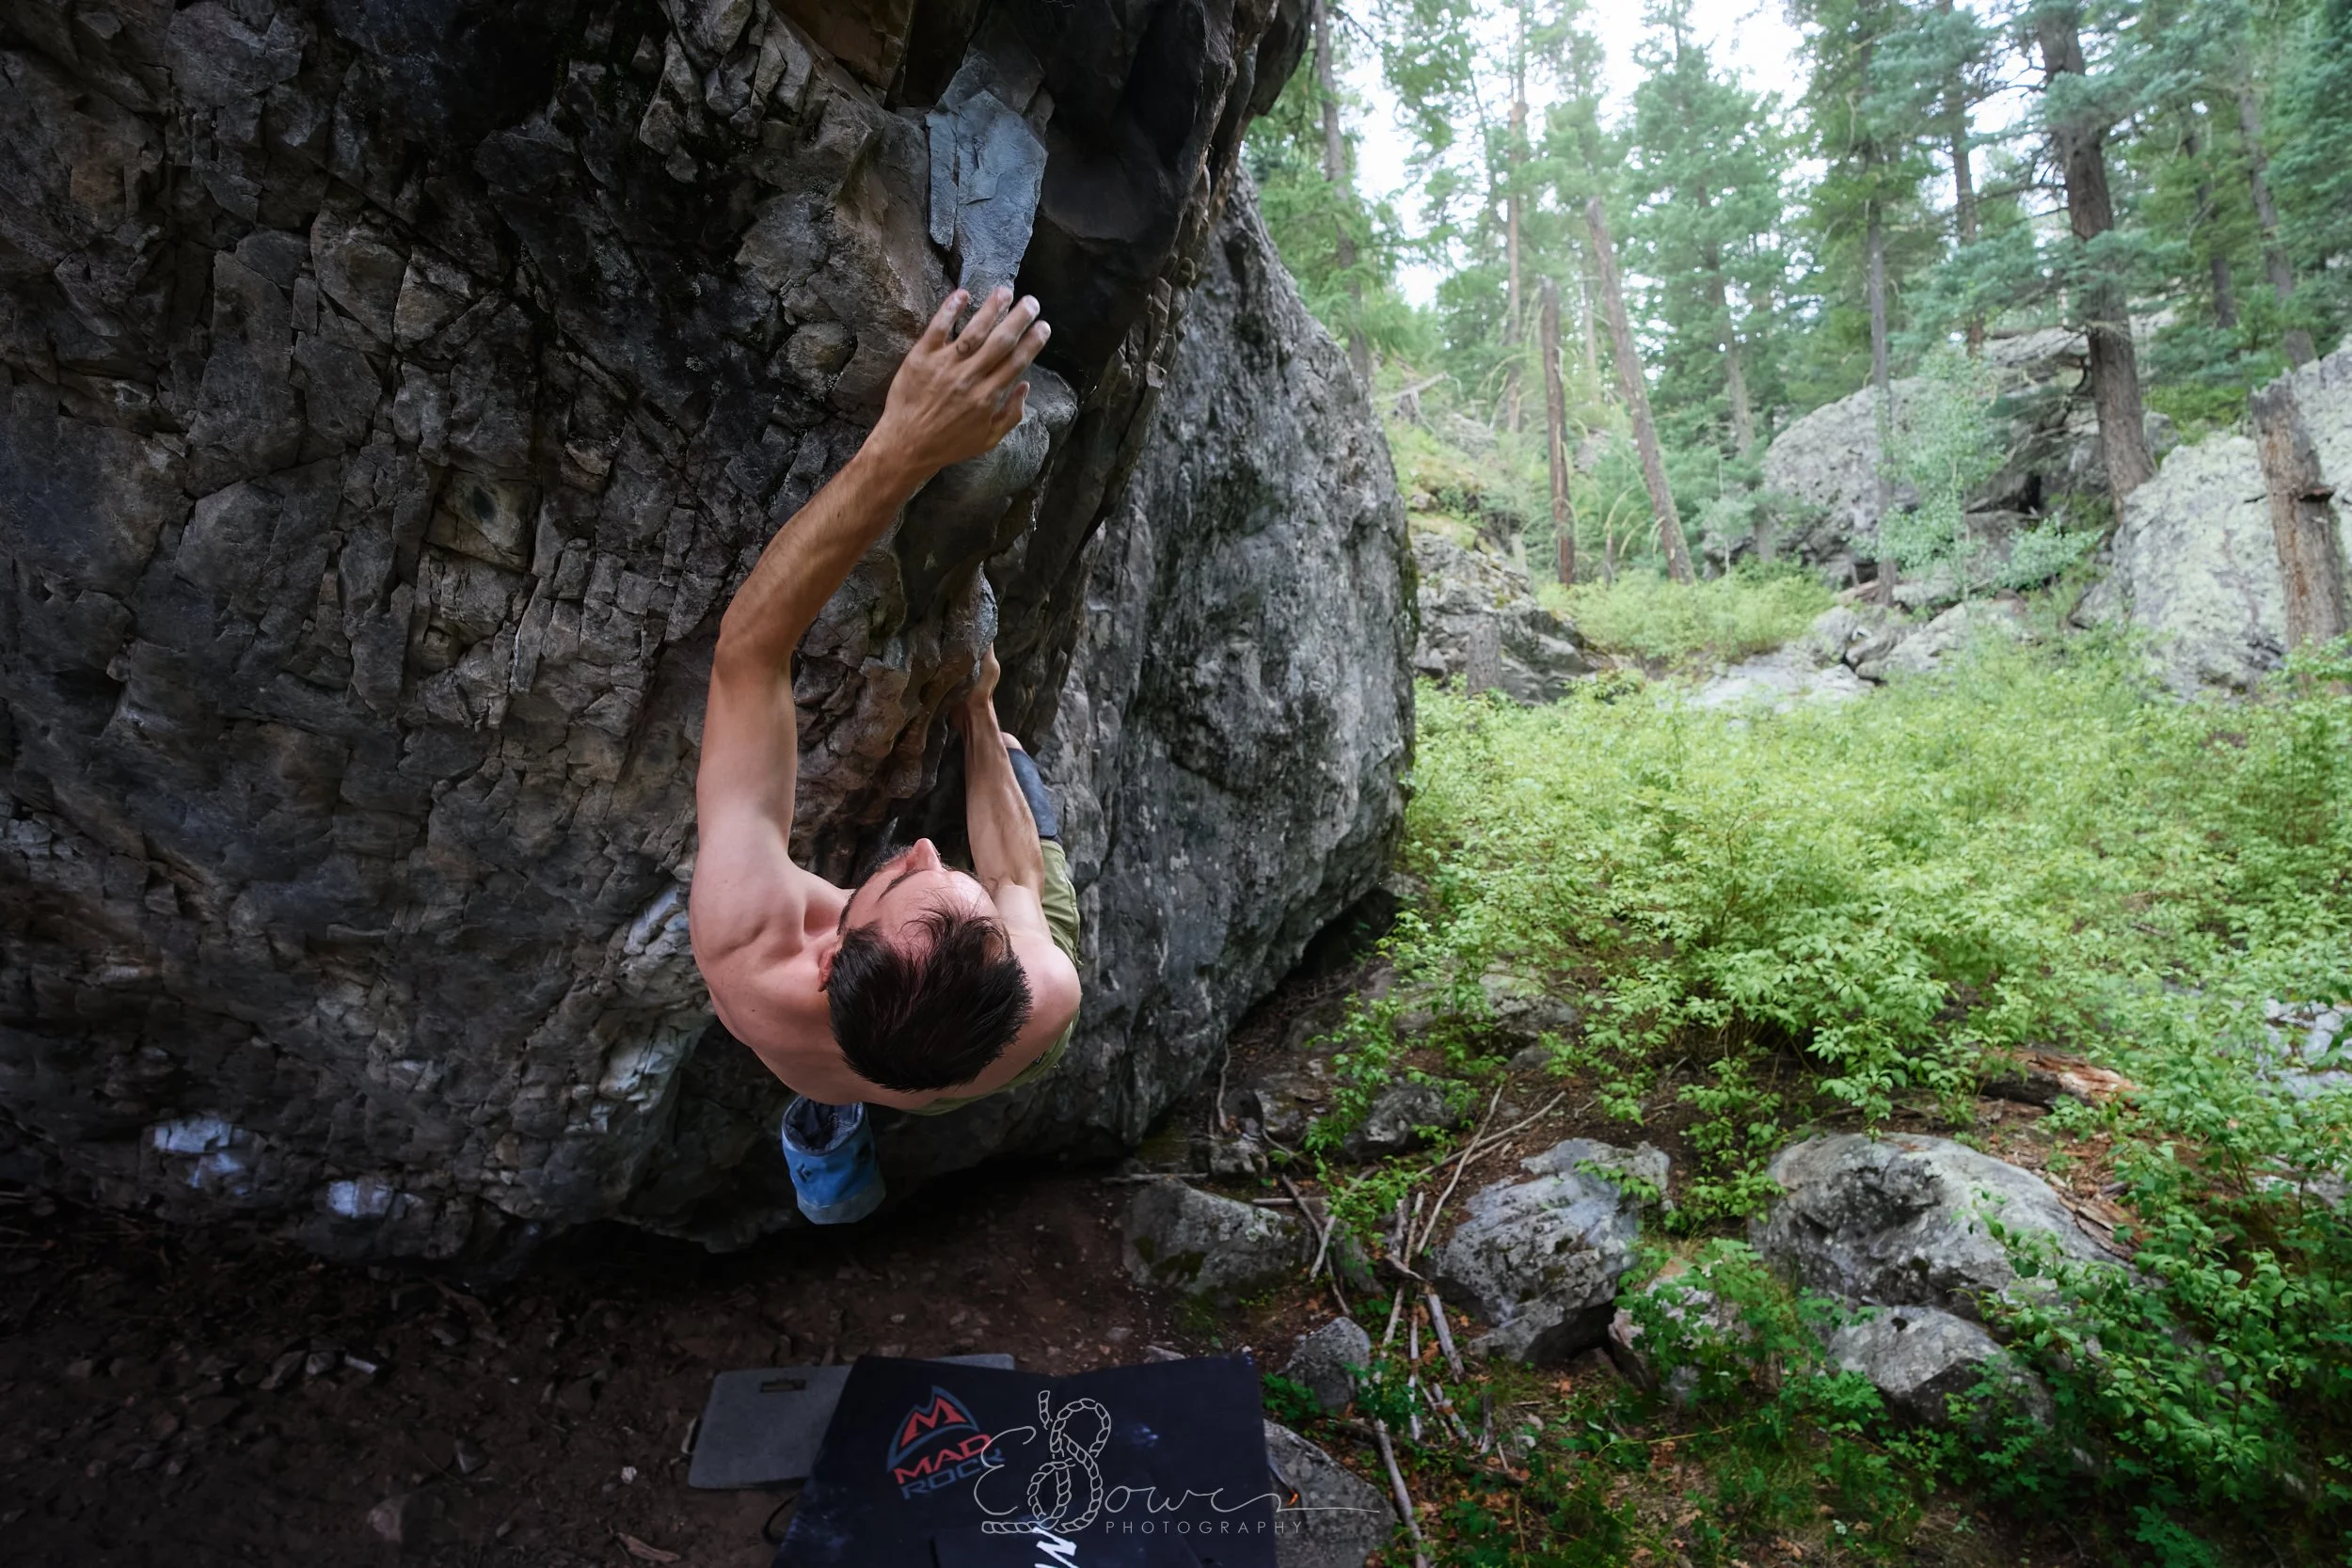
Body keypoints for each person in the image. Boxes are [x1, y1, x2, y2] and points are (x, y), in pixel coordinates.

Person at [689, 286, 1083, 1224]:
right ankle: (851, 1114)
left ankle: (839, 1115)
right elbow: (1017, 875)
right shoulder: (1040, 995)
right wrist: (981, 708)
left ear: (829, 962)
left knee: (1010, 821)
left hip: (883, 1057)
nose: (922, 849)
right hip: (937, 1068)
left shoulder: (748, 944)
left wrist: (901, 446)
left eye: (908, 877)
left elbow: (749, 654)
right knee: (1021, 792)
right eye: (952, 881)